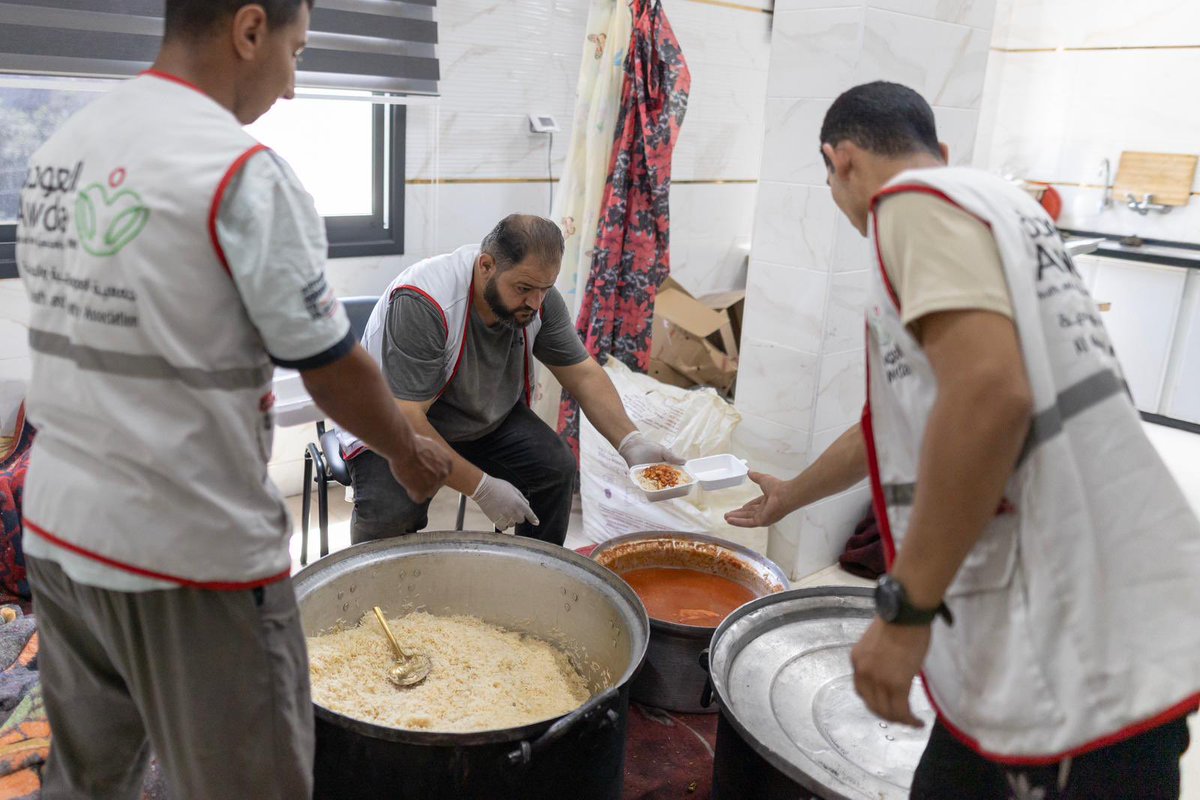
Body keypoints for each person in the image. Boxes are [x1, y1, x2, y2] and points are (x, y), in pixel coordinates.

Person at [15, 1, 452, 797]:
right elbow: (330, 367)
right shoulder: (240, 172)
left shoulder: (63, 147)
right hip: (189, 555)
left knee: (89, 778)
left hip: (58, 534)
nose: (290, 86)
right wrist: (404, 448)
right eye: (296, 51)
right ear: (249, 30)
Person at [727, 81, 1199, 799]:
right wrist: (790, 497)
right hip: (1076, 618)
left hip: (1064, 647)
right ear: (941, 150)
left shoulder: (910, 208)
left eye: (828, 178)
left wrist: (905, 610)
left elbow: (989, 395)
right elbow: (894, 423)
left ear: (840, 160)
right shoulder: (998, 205)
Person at [338, 213, 682, 546]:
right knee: (392, 512)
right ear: (486, 265)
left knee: (555, 469)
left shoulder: (538, 299)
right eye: (524, 288)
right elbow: (408, 418)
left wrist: (630, 441)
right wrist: (481, 486)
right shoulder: (424, 300)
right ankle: (371, 597)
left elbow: (583, 373)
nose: (534, 302)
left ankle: (535, 578)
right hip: (392, 423)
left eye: (545, 289)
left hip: (478, 417)